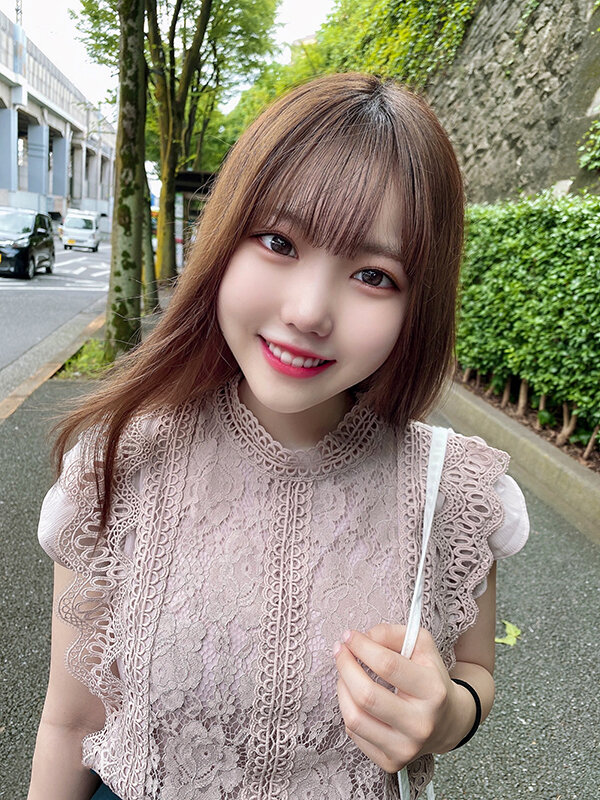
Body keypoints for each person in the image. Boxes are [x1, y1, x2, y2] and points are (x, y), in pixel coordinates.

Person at [28, 73, 528, 800]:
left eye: (373, 275)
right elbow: (72, 723)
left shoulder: (452, 490)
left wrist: (448, 714)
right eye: (277, 241)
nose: (308, 311)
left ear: (419, 303)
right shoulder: (121, 460)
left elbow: (475, 672)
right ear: (223, 241)